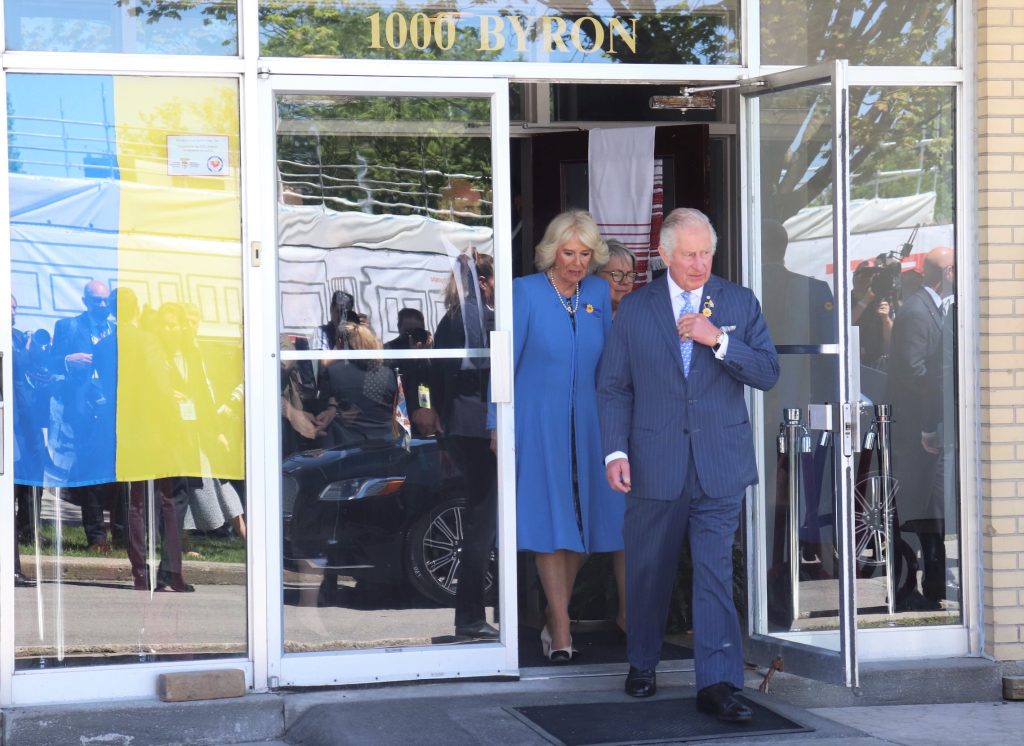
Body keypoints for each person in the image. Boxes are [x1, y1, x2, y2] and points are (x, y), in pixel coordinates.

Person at [598, 208, 779, 721]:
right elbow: (614, 386)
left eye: (706, 253)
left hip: (720, 462)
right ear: (665, 254)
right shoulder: (635, 309)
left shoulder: (738, 302)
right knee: (649, 568)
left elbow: (767, 372)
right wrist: (615, 451)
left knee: (715, 572)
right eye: (689, 254)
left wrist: (718, 339)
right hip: (654, 459)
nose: (700, 264)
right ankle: (643, 662)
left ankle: (718, 684)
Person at [504, 209, 624, 662]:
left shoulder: (596, 290)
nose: (576, 262)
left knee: (589, 521)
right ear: (551, 252)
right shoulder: (526, 292)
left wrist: (619, 421)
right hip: (538, 424)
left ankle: (557, 615)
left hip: (593, 426)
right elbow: (506, 368)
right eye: (568, 252)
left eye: (585, 254)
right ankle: (559, 624)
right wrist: (500, 426)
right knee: (550, 523)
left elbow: (610, 365)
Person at [432, 253, 498, 639]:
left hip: (459, 426)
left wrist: (442, 434)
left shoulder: (449, 320)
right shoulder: (481, 319)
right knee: (482, 523)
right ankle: (470, 615)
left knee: (480, 519)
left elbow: (435, 377)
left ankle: (474, 613)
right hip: (481, 427)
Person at [887, 246, 955, 611]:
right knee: (917, 508)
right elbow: (911, 371)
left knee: (931, 510)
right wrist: (942, 396)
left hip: (929, 426)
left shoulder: (933, 309)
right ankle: (907, 588)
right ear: (944, 272)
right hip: (918, 430)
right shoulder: (917, 312)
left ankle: (931, 586)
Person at [49, 279, 117, 553]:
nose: (102, 305)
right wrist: (67, 360)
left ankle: (123, 536)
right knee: (89, 474)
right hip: (81, 408)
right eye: (96, 300)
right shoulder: (68, 326)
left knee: (117, 474)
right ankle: (97, 537)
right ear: (85, 301)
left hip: (112, 409)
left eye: (105, 301)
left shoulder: (116, 329)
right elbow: (49, 362)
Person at [597, 239, 638, 316]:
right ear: (596, 275)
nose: (625, 282)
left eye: (630, 275)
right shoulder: (580, 316)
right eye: (617, 274)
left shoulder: (640, 317)